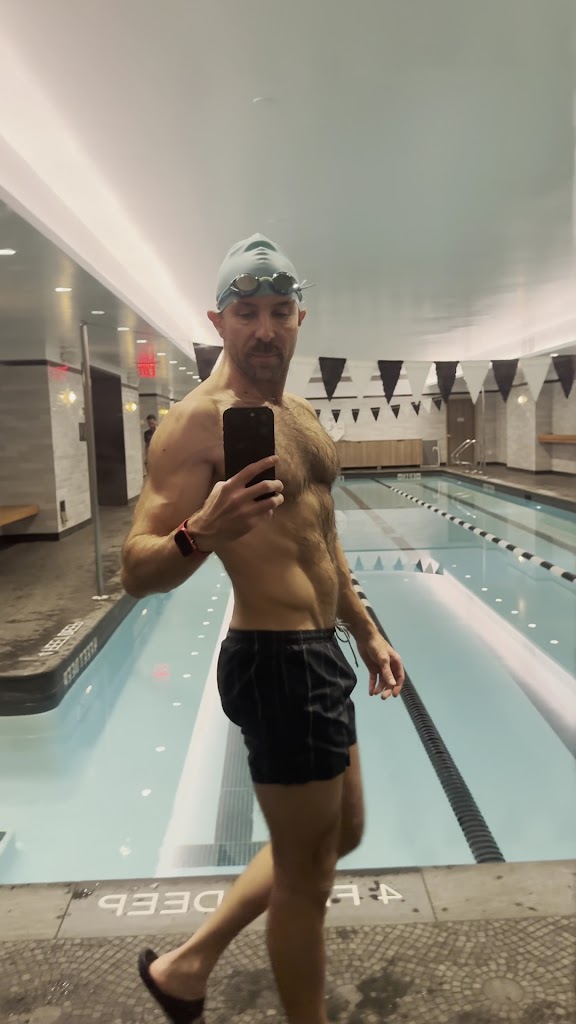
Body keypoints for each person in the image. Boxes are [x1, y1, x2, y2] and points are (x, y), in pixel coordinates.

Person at [121, 233, 405, 1024]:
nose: (265, 329)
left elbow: (322, 537)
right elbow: (136, 570)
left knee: (340, 835)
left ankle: (185, 968)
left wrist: (367, 630)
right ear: (219, 321)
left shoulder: (301, 416)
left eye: (280, 311)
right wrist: (199, 533)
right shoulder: (195, 424)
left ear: (299, 318)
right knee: (307, 879)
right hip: (276, 661)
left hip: (322, 650)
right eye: (247, 313)